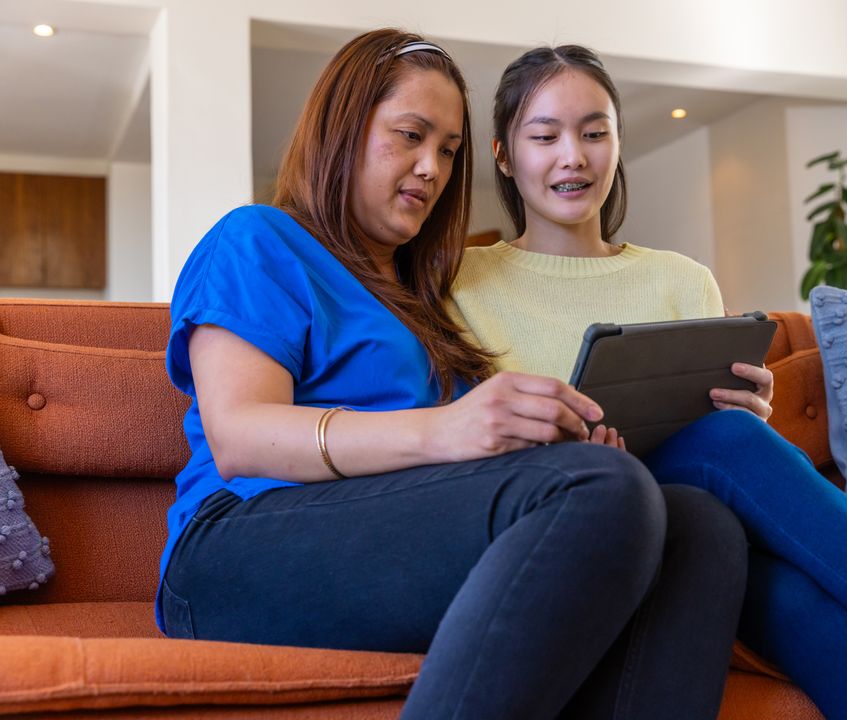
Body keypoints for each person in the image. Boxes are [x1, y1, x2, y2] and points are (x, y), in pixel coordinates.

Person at [449, 44, 847, 720]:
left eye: (595, 132)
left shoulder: (683, 279)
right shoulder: (459, 280)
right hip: (558, 519)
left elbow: (712, 432)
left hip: (693, 524)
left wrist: (751, 412)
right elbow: (459, 437)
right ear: (504, 156)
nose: (573, 155)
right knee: (725, 471)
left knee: (770, 572)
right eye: (545, 136)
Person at [158, 30, 749, 720]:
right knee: (603, 487)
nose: (431, 168)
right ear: (341, 127)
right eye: (410, 136)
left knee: (698, 524)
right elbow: (241, 436)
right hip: (234, 548)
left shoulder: (425, 294)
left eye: (447, 150)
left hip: (387, 536)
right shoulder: (258, 239)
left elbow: (459, 488)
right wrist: (449, 431)